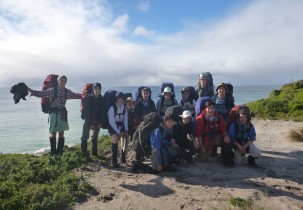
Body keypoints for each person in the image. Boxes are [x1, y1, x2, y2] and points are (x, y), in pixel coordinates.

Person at [28, 75, 82, 155]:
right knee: (53, 132)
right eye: (61, 80)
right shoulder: (52, 90)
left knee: (61, 132)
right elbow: (42, 94)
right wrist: (31, 90)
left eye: (64, 81)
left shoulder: (67, 92)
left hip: (62, 113)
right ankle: (53, 152)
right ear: (58, 81)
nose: (63, 82)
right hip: (53, 113)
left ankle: (60, 152)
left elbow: (76, 95)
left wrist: (85, 96)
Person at [195, 101, 234, 166]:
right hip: (205, 139)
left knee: (228, 141)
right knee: (204, 160)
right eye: (209, 108)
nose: (211, 110)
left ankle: (225, 159)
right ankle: (202, 152)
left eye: (212, 108)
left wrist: (226, 136)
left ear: (215, 108)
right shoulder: (200, 118)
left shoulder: (218, 117)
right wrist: (202, 147)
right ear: (205, 108)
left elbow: (223, 129)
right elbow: (199, 135)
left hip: (216, 136)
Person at [80, 83, 104, 156]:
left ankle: (94, 153)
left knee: (95, 136)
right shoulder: (89, 98)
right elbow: (87, 112)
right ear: (93, 90)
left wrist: (100, 123)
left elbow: (102, 112)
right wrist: (90, 124)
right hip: (88, 120)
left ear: (100, 90)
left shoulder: (101, 98)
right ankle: (84, 153)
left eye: (98, 89)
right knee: (85, 136)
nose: (97, 90)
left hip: (97, 120)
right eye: (95, 89)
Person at [108, 92, 128, 168]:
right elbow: (111, 122)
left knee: (124, 140)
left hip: (120, 126)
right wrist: (118, 132)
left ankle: (123, 158)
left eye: (122, 98)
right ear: (116, 99)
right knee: (115, 139)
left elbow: (125, 119)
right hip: (112, 126)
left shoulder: (124, 108)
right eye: (119, 98)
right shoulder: (112, 108)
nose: (121, 100)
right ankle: (114, 161)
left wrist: (126, 130)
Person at [122, 96, 135, 163]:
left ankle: (135, 157)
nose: (130, 103)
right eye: (128, 102)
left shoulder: (135, 110)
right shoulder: (124, 110)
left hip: (133, 129)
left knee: (134, 143)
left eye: (131, 102)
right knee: (124, 143)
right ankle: (123, 157)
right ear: (126, 103)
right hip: (125, 129)